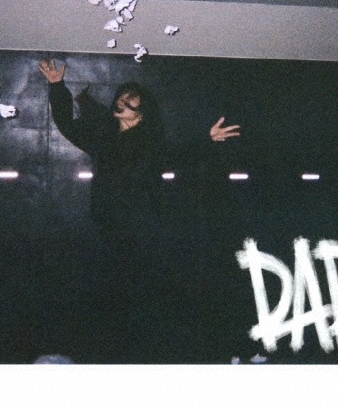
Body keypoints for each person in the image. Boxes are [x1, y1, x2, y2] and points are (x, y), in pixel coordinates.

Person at [38, 59, 240, 362]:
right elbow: (67, 124)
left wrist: (207, 139)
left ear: (142, 113)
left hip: (144, 233)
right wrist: (57, 86)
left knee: (144, 299)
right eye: (120, 99)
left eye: (129, 101)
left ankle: (158, 351)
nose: (120, 103)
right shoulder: (104, 141)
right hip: (109, 230)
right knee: (110, 299)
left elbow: (179, 153)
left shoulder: (150, 143)